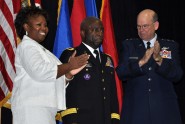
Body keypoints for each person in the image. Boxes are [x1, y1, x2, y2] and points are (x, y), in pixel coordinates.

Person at [11, 6, 89, 124]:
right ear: (26, 26)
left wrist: (68, 74)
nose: (44, 28)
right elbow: (41, 72)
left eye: (45, 25)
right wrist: (69, 65)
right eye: (39, 25)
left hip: (44, 108)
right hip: (32, 109)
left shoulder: (41, 50)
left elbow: (50, 78)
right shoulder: (27, 46)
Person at [116, 9, 183, 124]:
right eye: (138, 27)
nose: (141, 30)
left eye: (145, 26)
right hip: (136, 111)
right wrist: (141, 62)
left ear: (156, 25)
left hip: (164, 110)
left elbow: (177, 75)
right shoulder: (129, 45)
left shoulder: (170, 46)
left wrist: (159, 60)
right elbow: (121, 73)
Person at [59, 17, 120, 124]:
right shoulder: (72, 54)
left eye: (101, 30)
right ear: (82, 33)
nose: (99, 33)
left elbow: (112, 93)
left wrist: (114, 118)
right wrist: (70, 118)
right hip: (80, 119)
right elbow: (62, 89)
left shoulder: (107, 59)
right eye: (94, 30)